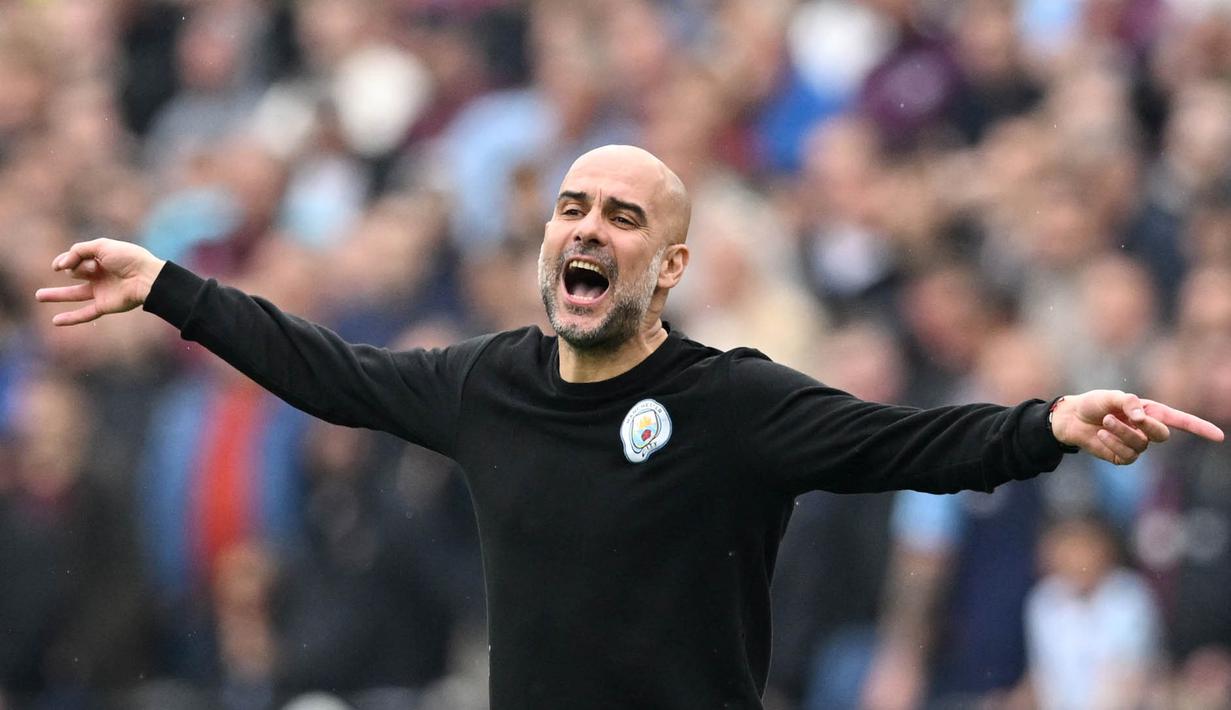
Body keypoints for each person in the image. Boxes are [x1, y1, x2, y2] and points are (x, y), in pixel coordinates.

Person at [35, 144, 1224, 709]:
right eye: (570, 208)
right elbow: (329, 371)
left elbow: (904, 443)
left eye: (620, 215)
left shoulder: (734, 402)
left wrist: (1051, 423)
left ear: (668, 266)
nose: (586, 228)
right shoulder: (484, 384)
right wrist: (168, 286)